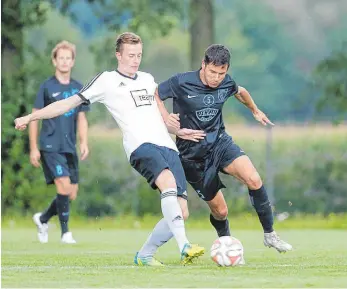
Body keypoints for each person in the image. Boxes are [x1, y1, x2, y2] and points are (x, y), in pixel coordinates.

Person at [15, 32, 205, 265]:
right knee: (166, 181)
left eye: (139, 55)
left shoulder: (147, 79)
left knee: (181, 211)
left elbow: (159, 117)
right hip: (140, 146)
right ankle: (184, 245)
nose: (136, 60)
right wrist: (31, 117)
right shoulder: (106, 80)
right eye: (131, 55)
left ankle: (145, 255)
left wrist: (178, 130)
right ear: (118, 55)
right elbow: (68, 104)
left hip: (168, 146)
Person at [153, 44, 292, 254]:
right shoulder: (181, 82)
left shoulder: (226, 82)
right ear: (203, 65)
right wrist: (167, 120)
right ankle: (226, 247)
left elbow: (240, 91)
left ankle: (270, 235)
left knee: (254, 179)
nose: (216, 78)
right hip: (192, 156)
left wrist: (255, 110)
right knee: (221, 211)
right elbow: (154, 94)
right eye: (212, 72)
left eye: (221, 73)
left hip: (220, 143)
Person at [29, 41, 90, 244]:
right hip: (49, 145)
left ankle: (43, 219)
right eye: (60, 58)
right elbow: (34, 117)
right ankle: (65, 233)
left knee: (71, 193)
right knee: (63, 185)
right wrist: (33, 148)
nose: (64, 61)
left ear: (72, 62)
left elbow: (82, 118)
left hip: (69, 146)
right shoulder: (46, 87)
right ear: (54, 61)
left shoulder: (78, 88)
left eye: (68, 58)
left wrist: (84, 142)